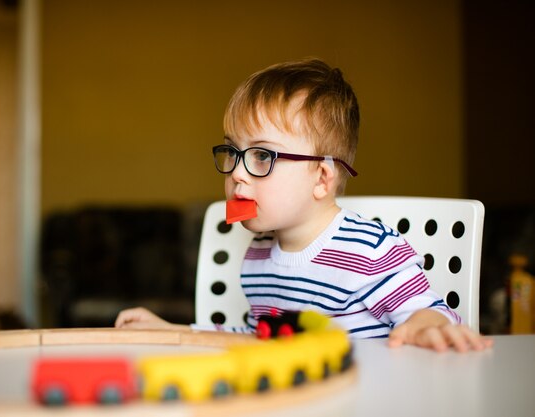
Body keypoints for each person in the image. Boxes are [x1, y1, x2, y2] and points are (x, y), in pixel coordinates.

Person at [115, 58, 493, 353]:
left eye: (262, 155)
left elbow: (430, 314)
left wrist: (427, 327)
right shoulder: (259, 255)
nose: (237, 175)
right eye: (232, 151)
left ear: (322, 178)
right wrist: (172, 331)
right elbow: (257, 336)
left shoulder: (369, 249)